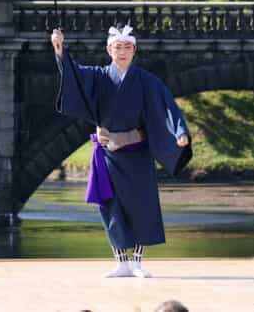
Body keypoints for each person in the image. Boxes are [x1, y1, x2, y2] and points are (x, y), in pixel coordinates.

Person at [52, 25, 192, 278]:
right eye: (118, 47)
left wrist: (179, 131)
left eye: (128, 47)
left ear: (135, 50)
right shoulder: (98, 76)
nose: (123, 52)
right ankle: (120, 261)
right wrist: (60, 49)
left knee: (141, 206)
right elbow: (74, 74)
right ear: (109, 50)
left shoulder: (147, 81)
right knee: (110, 205)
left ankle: (137, 262)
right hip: (108, 154)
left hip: (137, 152)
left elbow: (167, 105)